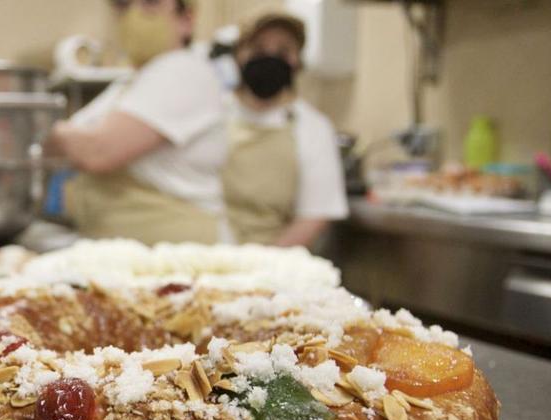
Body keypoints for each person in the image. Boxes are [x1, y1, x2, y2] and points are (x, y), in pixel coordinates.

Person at [48, 0, 227, 244]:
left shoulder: (182, 70)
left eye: (150, 3)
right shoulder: (130, 83)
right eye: (123, 5)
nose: (134, 15)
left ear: (186, 19)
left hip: (181, 255)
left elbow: (98, 150)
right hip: (127, 250)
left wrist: (44, 128)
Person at [221, 13, 348, 246]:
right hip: (204, 255)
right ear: (239, 55)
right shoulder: (212, 113)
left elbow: (314, 215)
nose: (270, 59)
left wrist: (263, 266)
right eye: (258, 49)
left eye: (283, 52)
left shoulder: (312, 127)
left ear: (297, 62)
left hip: (272, 263)